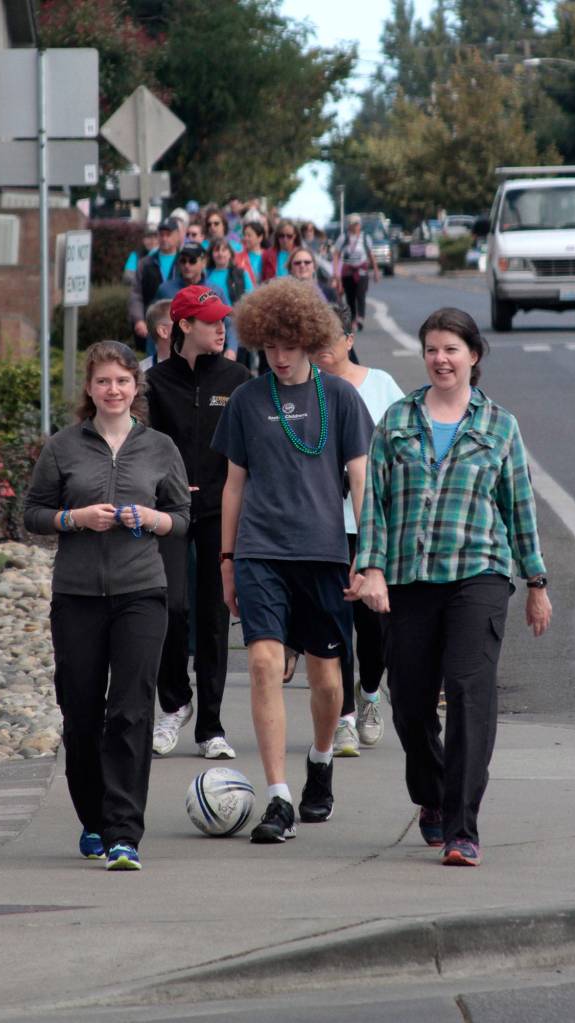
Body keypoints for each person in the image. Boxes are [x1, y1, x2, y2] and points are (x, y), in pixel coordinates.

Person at [351, 307, 552, 866]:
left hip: (479, 574)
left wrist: (536, 581)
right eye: (432, 350)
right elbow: (375, 504)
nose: (441, 359)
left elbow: (519, 507)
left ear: (473, 356)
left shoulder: (500, 426)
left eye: (451, 349)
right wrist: (371, 568)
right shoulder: (397, 420)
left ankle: (463, 827)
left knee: (469, 694)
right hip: (410, 578)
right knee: (410, 703)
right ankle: (433, 793)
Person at [212, 277, 374, 844]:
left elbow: (361, 478)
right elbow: (234, 485)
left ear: (310, 340)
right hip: (260, 551)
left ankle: (321, 758)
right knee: (263, 663)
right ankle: (278, 797)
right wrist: (227, 559)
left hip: (324, 553)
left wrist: (368, 555)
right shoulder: (246, 400)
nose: (279, 357)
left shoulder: (342, 398)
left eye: (289, 345)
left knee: (327, 678)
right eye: (270, 347)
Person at [24, 341, 190, 871]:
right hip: (77, 596)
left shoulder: (160, 447)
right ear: (90, 388)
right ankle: (93, 818)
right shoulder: (63, 447)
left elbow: (182, 517)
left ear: (136, 387)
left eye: (122, 381)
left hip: (141, 591)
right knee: (81, 714)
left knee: (131, 711)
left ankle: (124, 832)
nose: (113, 390)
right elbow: (32, 513)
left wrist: (152, 518)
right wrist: (74, 519)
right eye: (103, 381)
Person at [147, 285, 250, 760]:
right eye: (210, 321)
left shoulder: (238, 378)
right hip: (166, 512)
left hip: (219, 511)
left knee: (213, 617)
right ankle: (174, 704)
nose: (221, 328)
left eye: (223, 319)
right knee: (169, 608)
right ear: (184, 325)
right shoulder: (152, 382)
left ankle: (211, 726)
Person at [313, 305, 403, 756]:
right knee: (334, 621)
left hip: (373, 522)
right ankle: (344, 717)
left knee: (374, 626)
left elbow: (405, 445)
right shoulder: (303, 389)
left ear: (349, 340)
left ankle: (369, 693)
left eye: (330, 338)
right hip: (324, 524)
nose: (321, 349)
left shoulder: (382, 384)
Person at [155, 240, 238, 360]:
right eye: (183, 261)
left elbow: (230, 322)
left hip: (208, 357)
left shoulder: (214, 290)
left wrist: (231, 349)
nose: (187, 265)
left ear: (203, 262)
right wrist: (155, 357)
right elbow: (155, 324)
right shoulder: (165, 289)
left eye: (192, 261)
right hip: (173, 357)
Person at [128, 218, 180, 347]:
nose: (164, 238)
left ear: (177, 235)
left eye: (168, 234)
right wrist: (139, 320)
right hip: (152, 325)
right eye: (161, 235)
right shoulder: (145, 263)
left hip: (179, 325)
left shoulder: (185, 262)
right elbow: (136, 294)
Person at [333, 213, 380, 332]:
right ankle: (353, 318)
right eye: (353, 224)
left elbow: (371, 255)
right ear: (349, 225)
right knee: (350, 296)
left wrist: (375, 270)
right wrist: (336, 272)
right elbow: (336, 254)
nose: (355, 227)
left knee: (361, 294)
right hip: (348, 271)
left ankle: (360, 318)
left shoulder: (365, 238)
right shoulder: (344, 238)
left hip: (361, 270)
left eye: (357, 224)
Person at [139, 299, 173, 372]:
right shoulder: (141, 372)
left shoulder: (197, 368)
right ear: (163, 331)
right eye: (181, 322)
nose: (189, 327)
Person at [239, 220, 266, 285]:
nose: (245, 238)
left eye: (249, 235)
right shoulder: (239, 256)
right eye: (244, 235)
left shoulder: (267, 256)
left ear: (260, 238)